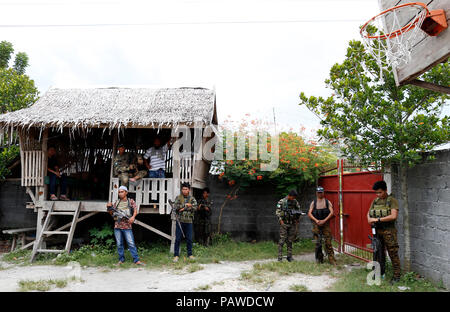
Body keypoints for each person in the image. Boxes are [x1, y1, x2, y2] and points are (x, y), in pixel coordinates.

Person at [367, 180, 401, 284]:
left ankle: (396, 276)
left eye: (380, 192)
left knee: (392, 253)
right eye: (376, 193)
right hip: (377, 231)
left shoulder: (392, 200)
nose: (378, 194)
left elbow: (393, 216)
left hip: (389, 231)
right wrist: (369, 219)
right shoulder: (375, 201)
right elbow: (368, 213)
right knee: (378, 253)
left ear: (385, 190)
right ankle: (380, 273)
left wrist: (377, 220)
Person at [107, 185, 145, 266]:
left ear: (126, 192)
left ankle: (136, 260)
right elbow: (112, 214)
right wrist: (109, 208)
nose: (120, 193)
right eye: (119, 192)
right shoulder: (116, 203)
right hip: (117, 226)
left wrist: (133, 217)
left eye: (122, 192)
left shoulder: (130, 201)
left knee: (131, 243)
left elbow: (135, 210)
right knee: (119, 244)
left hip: (127, 226)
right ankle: (121, 260)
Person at [308, 186, 336, 265]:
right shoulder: (314, 202)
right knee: (317, 243)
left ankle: (331, 259)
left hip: (325, 224)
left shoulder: (327, 202)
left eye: (321, 192)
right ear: (316, 193)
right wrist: (316, 220)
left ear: (323, 193)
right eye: (318, 192)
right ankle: (319, 258)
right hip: (316, 224)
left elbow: (331, 213)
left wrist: (324, 220)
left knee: (328, 242)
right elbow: (309, 213)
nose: (320, 194)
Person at [173, 182, 197, 262]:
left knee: (189, 239)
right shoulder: (178, 198)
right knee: (178, 238)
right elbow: (175, 207)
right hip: (180, 221)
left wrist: (183, 208)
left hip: (189, 221)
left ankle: (190, 254)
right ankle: (176, 255)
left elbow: (195, 207)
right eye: (183, 189)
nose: (184, 190)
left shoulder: (192, 199)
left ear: (189, 190)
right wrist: (186, 205)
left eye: (186, 189)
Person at [275, 189, 302, 262]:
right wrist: (281, 222)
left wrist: (297, 217)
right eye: (293, 197)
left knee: (290, 240)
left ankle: (289, 257)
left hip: (292, 223)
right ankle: (279, 257)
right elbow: (277, 212)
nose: (294, 198)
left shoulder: (295, 202)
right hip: (284, 223)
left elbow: (299, 210)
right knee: (282, 241)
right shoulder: (282, 202)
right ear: (290, 196)